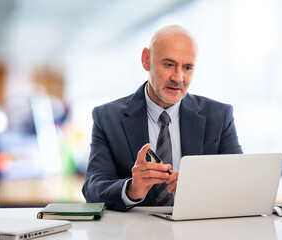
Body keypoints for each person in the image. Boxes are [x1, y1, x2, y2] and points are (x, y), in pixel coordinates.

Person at [82, 25, 242, 211]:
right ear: (146, 60)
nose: (178, 77)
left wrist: (201, 188)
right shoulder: (108, 118)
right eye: (169, 64)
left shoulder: (219, 116)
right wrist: (132, 189)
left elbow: (238, 182)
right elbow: (93, 190)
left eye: (187, 67)